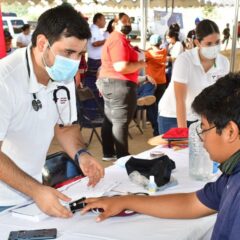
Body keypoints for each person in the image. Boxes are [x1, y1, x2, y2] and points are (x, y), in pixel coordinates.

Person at [82, 72, 240, 239]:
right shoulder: (232, 172)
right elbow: (192, 203)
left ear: (230, 132)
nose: (202, 139)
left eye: (204, 128)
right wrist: (126, 201)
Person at [0, 5, 104, 217]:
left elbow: (65, 128)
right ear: (42, 43)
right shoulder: (5, 80)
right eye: (68, 52)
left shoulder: (61, 76)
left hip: (32, 194)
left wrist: (81, 155)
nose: (74, 62)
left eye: (80, 54)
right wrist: (36, 190)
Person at [158, 19, 230, 134]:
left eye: (217, 42)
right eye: (209, 44)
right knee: (177, 151)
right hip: (172, 116)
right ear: (197, 43)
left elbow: (220, 97)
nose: (214, 47)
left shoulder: (223, 63)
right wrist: (182, 132)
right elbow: (180, 100)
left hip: (200, 118)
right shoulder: (185, 60)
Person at [96, 13, 146, 161]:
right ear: (115, 24)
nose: (128, 24)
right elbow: (121, 66)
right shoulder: (117, 39)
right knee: (120, 121)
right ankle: (123, 158)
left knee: (110, 119)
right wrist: (141, 64)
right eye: (124, 21)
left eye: (129, 21)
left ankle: (108, 153)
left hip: (111, 82)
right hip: (119, 83)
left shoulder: (117, 39)